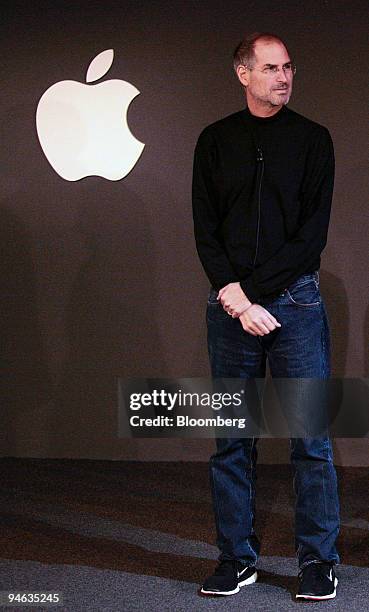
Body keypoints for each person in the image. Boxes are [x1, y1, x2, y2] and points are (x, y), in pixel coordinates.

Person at [192, 32, 340, 601]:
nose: (283, 77)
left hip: (294, 303)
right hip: (230, 307)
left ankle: (318, 561)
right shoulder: (214, 141)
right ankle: (237, 559)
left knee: (310, 437)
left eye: (288, 68)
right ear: (243, 74)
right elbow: (205, 230)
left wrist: (248, 294)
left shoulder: (313, 140)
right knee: (231, 438)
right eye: (271, 68)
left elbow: (311, 237)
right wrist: (234, 297)